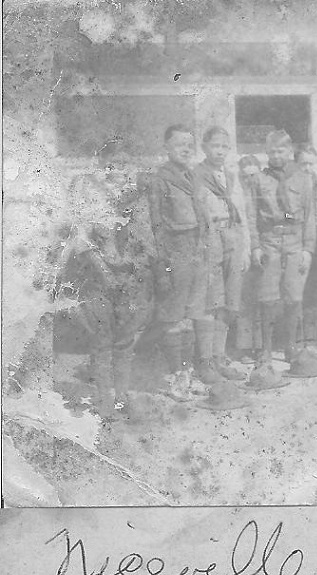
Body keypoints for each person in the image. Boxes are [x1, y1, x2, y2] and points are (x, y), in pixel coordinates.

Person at [58, 147, 155, 419]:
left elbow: (145, 238)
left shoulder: (137, 196)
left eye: (124, 163)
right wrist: (105, 272)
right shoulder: (88, 193)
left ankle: (123, 397)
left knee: (125, 341)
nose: (119, 169)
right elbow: (82, 239)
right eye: (111, 164)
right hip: (98, 278)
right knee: (102, 340)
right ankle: (104, 401)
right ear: (101, 165)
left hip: (129, 280)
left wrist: (138, 271)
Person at [147, 124, 210, 399]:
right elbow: (155, 226)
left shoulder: (193, 177)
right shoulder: (160, 181)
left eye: (189, 144)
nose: (186, 149)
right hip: (175, 254)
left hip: (197, 252)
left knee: (192, 315)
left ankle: (187, 374)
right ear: (166, 148)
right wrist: (162, 267)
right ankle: (174, 378)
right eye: (179, 144)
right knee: (173, 318)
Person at [249, 130, 316, 363]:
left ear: (289, 151)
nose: (276, 155)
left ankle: (290, 346)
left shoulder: (303, 179)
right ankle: (266, 348)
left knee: (294, 296)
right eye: (272, 151)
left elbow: (309, 216)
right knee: (267, 297)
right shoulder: (258, 179)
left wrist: (308, 249)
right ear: (266, 153)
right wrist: (255, 246)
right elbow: (252, 215)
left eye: (281, 151)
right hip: (269, 242)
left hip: (295, 242)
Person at [194, 126, 251, 381]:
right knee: (211, 300)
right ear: (204, 147)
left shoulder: (231, 175)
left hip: (233, 236)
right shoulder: (196, 175)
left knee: (230, 300)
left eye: (224, 146)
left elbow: (243, 212)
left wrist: (246, 247)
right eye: (215, 146)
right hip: (210, 238)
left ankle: (219, 357)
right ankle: (205, 361)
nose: (220, 151)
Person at [294, 142, 317, 348]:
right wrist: (293, 217)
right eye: (303, 163)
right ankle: (297, 337)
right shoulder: (289, 183)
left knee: (313, 291)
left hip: (316, 240)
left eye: (311, 164)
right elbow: (284, 213)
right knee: (297, 291)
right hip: (296, 242)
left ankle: (311, 338)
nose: (307, 168)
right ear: (296, 163)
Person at [234, 154, 263, 360]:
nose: (250, 180)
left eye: (254, 175)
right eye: (245, 176)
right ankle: (244, 347)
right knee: (245, 300)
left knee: (262, 298)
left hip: (263, 251)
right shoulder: (237, 196)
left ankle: (261, 345)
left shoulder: (266, 193)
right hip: (244, 252)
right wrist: (247, 250)